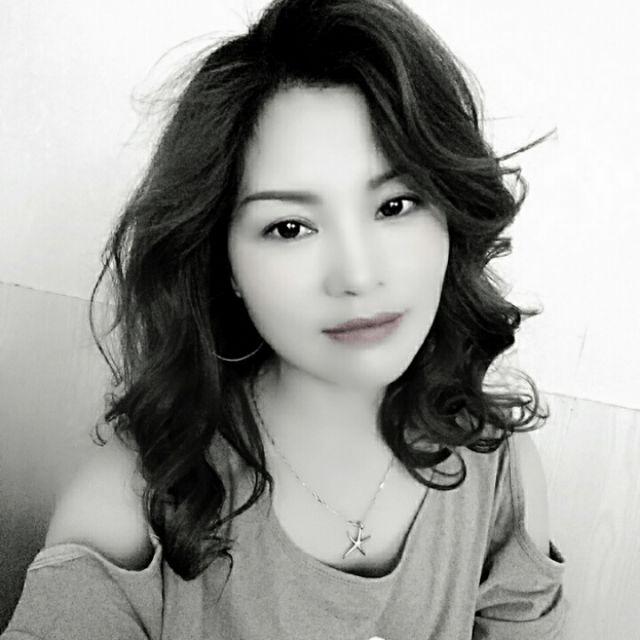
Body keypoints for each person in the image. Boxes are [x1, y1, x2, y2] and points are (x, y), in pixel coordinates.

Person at [2, 0, 568, 638]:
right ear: (224, 262)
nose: (358, 275)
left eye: (396, 204)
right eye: (290, 227)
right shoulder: (132, 501)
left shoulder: (497, 472)